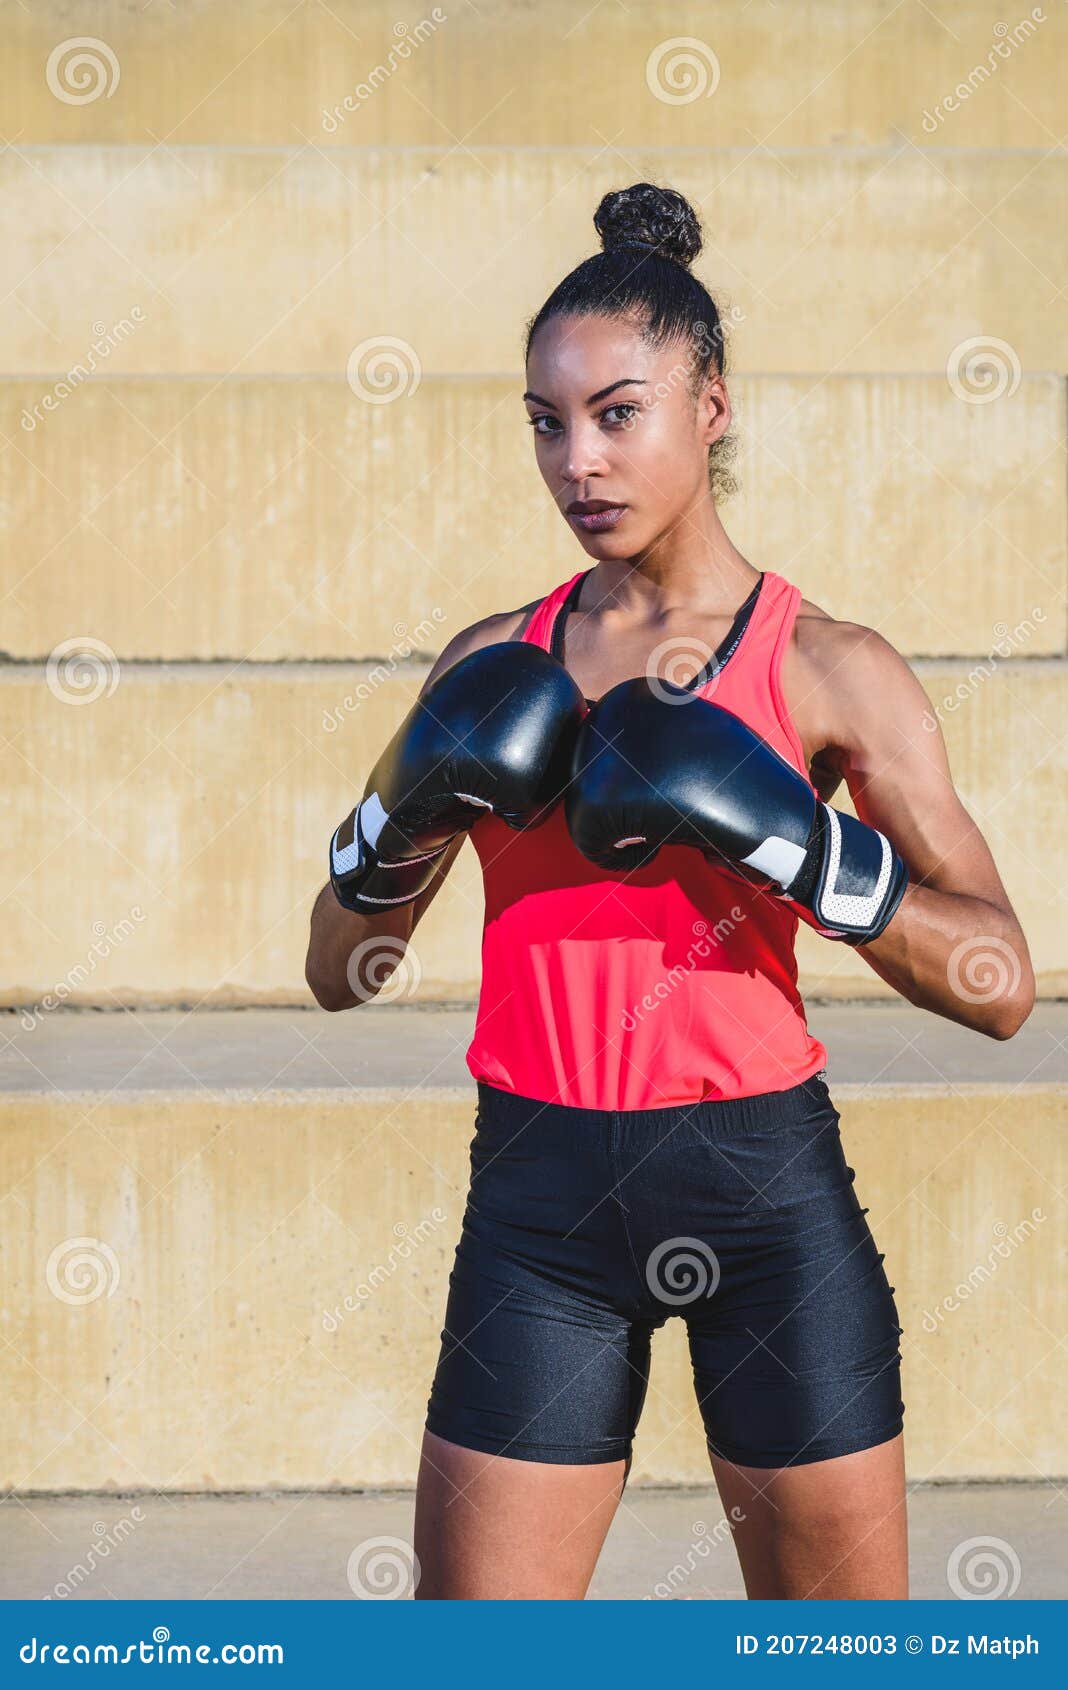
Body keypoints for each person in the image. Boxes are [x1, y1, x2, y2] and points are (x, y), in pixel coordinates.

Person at [304, 182, 1034, 1600]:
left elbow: (1001, 984)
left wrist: (805, 852)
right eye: (546, 420)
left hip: (765, 1197)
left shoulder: (826, 665)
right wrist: (395, 815)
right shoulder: (490, 662)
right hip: (537, 1207)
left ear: (714, 407)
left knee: (841, 1665)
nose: (578, 459)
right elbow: (339, 969)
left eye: (618, 412)